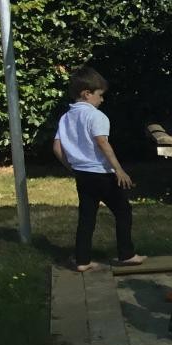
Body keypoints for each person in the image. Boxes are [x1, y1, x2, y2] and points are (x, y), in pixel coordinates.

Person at [52, 66, 145, 272]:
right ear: (87, 94)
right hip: (102, 174)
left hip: (82, 174)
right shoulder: (96, 116)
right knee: (123, 211)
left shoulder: (66, 117)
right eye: (100, 95)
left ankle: (82, 260)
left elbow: (57, 147)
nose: (101, 100)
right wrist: (119, 170)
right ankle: (126, 254)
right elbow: (102, 142)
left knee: (87, 217)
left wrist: (72, 167)